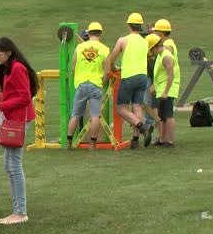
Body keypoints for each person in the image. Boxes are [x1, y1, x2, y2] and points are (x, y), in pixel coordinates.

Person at [0, 37, 37, 225]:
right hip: (12, 119)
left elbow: (25, 97)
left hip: (17, 121)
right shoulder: (9, 68)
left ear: (8, 53)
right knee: (9, 165)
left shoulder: (17, 68)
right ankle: (17, 209)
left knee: (14, 165)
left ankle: (20, 212)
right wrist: (3, 89)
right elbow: (17, 90)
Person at [103, 13, 155, 149]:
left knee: (121, 108)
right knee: (137, 107)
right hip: (143, 77)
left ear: (128, 25)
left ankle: (143, 127)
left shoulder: (123, 40)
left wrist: (113, 68)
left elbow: (111, 58)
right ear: (140, 26)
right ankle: (135, 140)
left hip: (129, 77)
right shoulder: (145, 42)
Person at [66, 22, 109, 150]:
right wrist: (102, 83)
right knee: (95, 116)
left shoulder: (79, 48)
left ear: (88, 33)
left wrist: (77, 79)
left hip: (81, 84)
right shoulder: (104, 49)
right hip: (96, 84)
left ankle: (68, 142)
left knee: (75, 115)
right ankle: (92, 143)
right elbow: (107, 70)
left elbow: (73, 67)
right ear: (100, 33)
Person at [150, 31, 180, 147]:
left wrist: (166, 91)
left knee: (168, 116)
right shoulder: (161, 55)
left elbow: (170, 75)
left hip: (167, 90)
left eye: (151, 50)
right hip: (161, 89)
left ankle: (169, 140)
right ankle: (162, 139)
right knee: (162, 116)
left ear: (155, 47)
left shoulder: (166, 56)